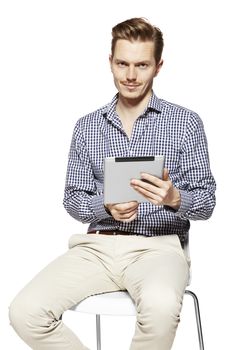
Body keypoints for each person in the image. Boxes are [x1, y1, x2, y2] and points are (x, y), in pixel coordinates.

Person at [9, 17, 216, 350]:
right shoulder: (87, 126)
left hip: (159, 247)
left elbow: (206, 202)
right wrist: (102, 204)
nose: (131, 75)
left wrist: (175, 197)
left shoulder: (185, 123)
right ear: (110, 62)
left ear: (158, 66)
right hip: (98, 247)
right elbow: (73, 198)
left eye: (142, 65)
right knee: (26, 311)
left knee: (161, 308)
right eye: (122, 63)